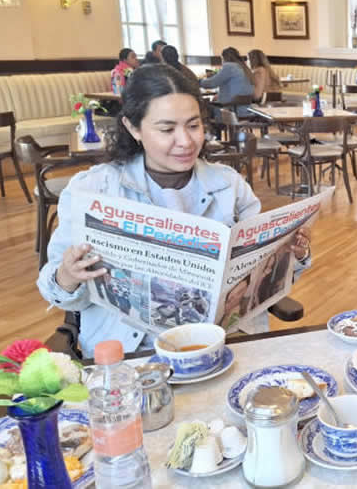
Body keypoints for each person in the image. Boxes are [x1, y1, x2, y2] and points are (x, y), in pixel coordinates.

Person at [36, 64, 312, 358]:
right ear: (133, 128)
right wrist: (68, 274)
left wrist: (293, 254)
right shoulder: (93, 189)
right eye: (167, 129)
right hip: (130, 354)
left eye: (194, 125)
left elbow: (268, 273)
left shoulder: (228, 185)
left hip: (222, 346)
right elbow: (54, 289)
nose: (186, 141)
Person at [200, 47, 255, 119]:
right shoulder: (244, 68)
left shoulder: (229, 67)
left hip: (232, 110)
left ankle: (214, 129)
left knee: (203, 106)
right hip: (247, 109)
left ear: (223, 58)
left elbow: (211, 83)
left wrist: (199, 81)